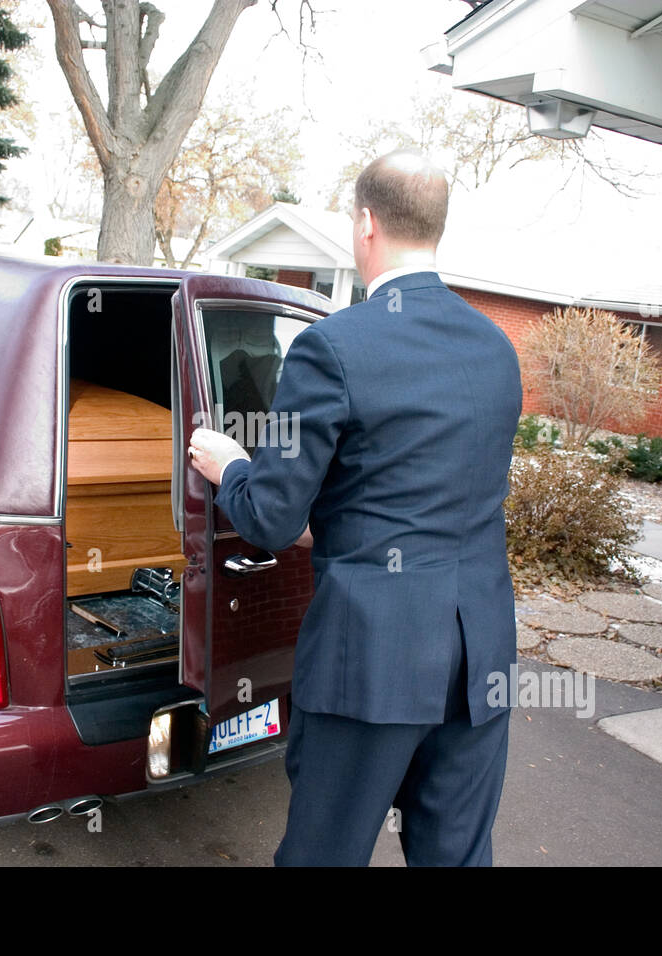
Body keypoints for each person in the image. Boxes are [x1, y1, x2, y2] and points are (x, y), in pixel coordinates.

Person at [186, 148, 523, 866]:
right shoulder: (497, 349)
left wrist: (232, 465)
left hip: (372, 661)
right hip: (479, 660)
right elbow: (429, 492)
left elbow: (272, 518)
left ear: (365, 224)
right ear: (433, 227)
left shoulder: (331, 348)